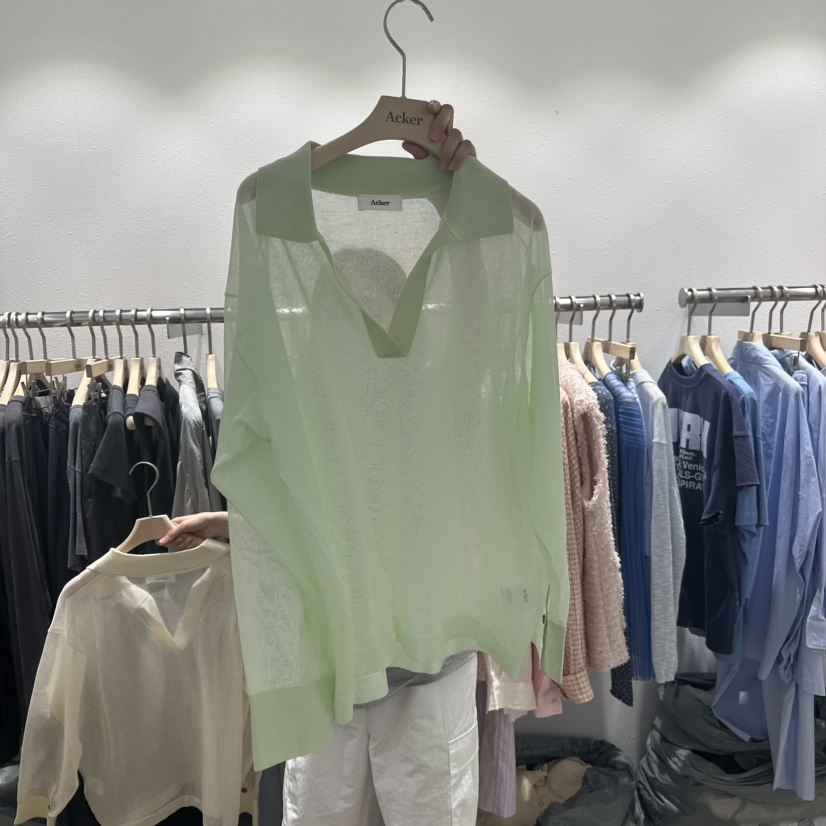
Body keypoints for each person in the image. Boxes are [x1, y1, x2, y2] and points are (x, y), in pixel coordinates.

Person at [159, 102, 481, 826]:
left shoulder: (451, 386)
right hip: (331, 668)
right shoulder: (309, 400)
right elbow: (319, 514)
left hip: (429, 672)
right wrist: (232, 525)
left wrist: (456, 190)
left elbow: (481, 288)